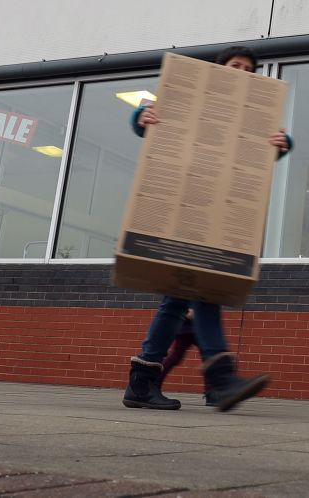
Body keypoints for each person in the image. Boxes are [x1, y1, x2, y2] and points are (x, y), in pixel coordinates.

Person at [123, 45, 292, 412]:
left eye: (249, 68)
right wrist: (141, 116)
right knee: (192, 298)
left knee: (187, 298)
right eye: (236, 65)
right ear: (221, 69)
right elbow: (156, 111)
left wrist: (282, 144)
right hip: (183, 204)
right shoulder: (197, 93)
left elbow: (272, 142)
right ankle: (218, 382)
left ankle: (152, 383)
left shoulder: (256, 111)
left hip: (218, 212)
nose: (243, 72)